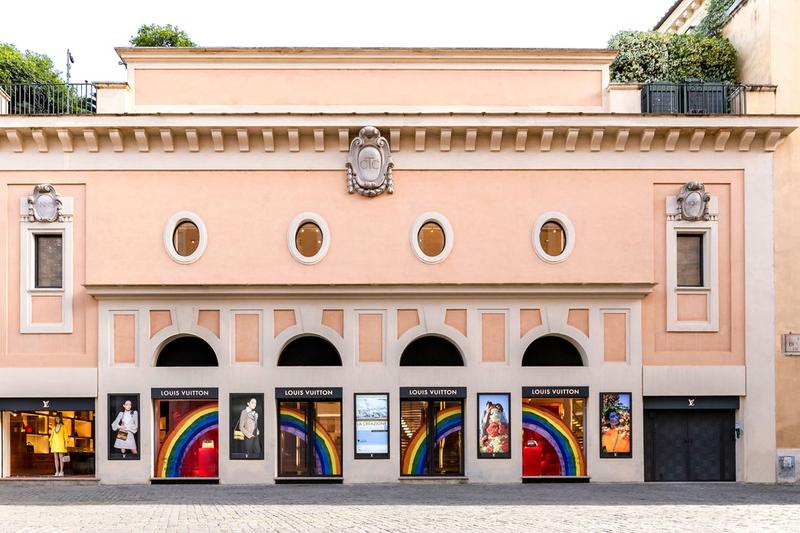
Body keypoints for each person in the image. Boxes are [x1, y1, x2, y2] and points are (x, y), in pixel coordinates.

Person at [48, 412, 68, 477]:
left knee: (61, 458)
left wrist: (66, 442)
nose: (57, 420)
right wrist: (50, 442)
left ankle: (61, 471)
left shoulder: (63, 426)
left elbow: (65, 435)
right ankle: (56, 471)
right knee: (56, 458)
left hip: (61, 443)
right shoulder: (53, 427)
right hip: (55, 443)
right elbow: (52, 436)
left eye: (58, 419)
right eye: (56, 419)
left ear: (60, 419)